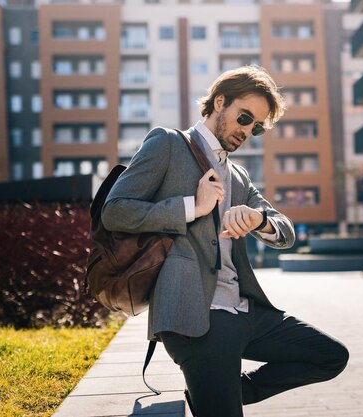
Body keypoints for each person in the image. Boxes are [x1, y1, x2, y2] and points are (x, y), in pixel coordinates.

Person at [102, 65, 348, 417]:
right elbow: (116, 210)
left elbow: (285, 231)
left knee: (330, 355)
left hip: (247, 312)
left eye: (257, 127)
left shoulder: (239, 174)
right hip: (194, 316)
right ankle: (219, 395)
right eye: (244, 117)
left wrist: (259, 219)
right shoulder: (168, 144)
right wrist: (192, 207)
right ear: (220, 101)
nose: (248, 131)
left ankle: (231, 391)